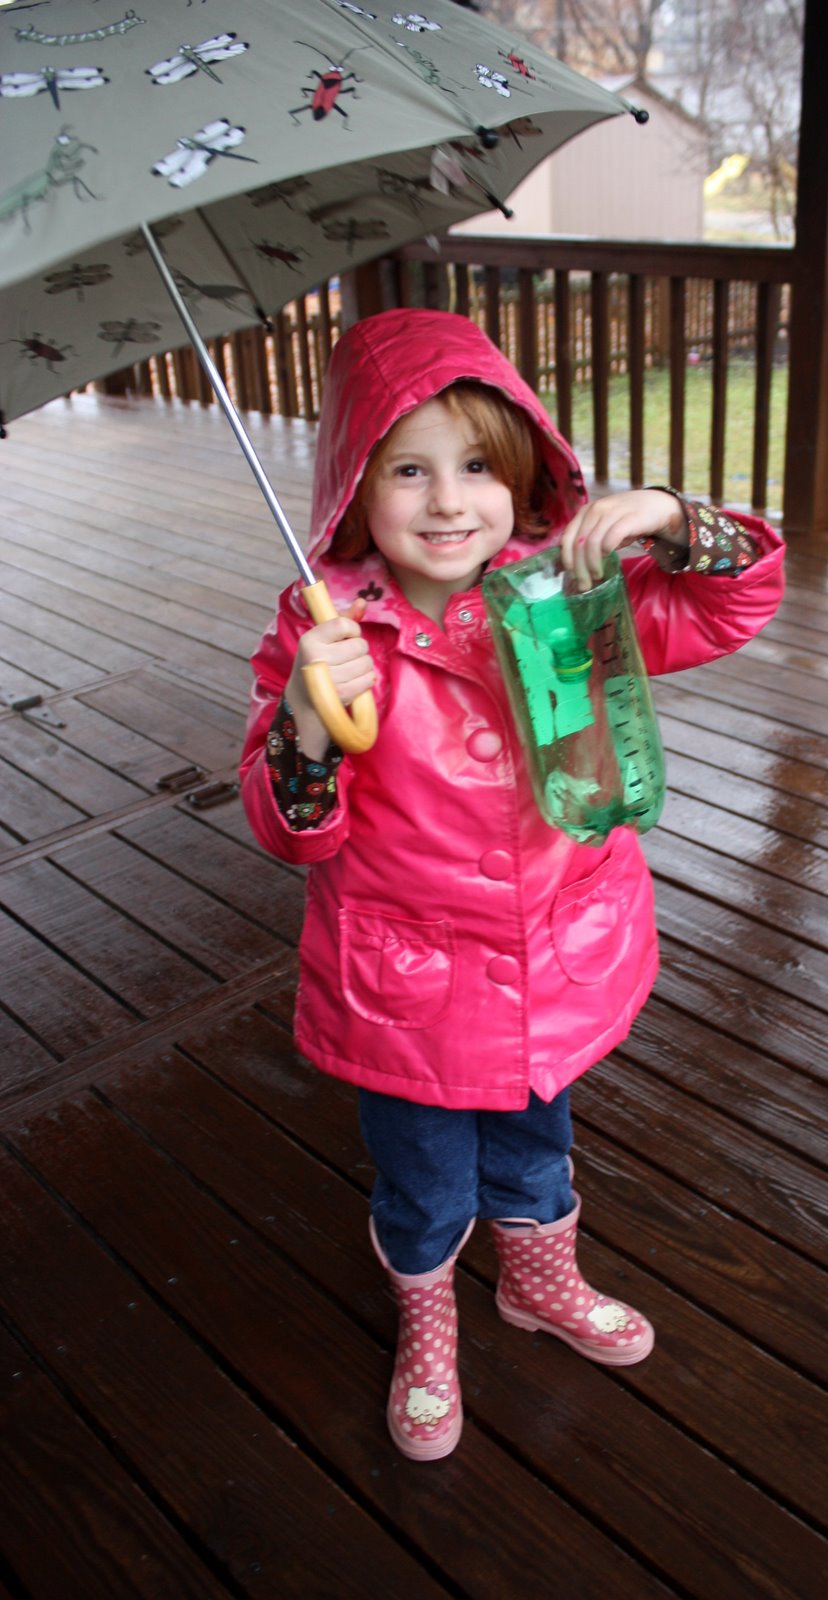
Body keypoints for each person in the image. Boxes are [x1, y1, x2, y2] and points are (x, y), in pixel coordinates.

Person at [240, 307, 784, 1461]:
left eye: (479, 465)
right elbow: (294, 832)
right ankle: (427, 1316)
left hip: (554, 956)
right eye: (408, 469)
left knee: (537, 1144)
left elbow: (730, 604)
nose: (448, 502)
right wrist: (306, 718)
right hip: (410, 986)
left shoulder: (572, 593)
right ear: (352, 488)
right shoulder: (326, 632)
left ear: (526, 471)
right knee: (426, 1174)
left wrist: (678, 523)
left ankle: (537, 1281)